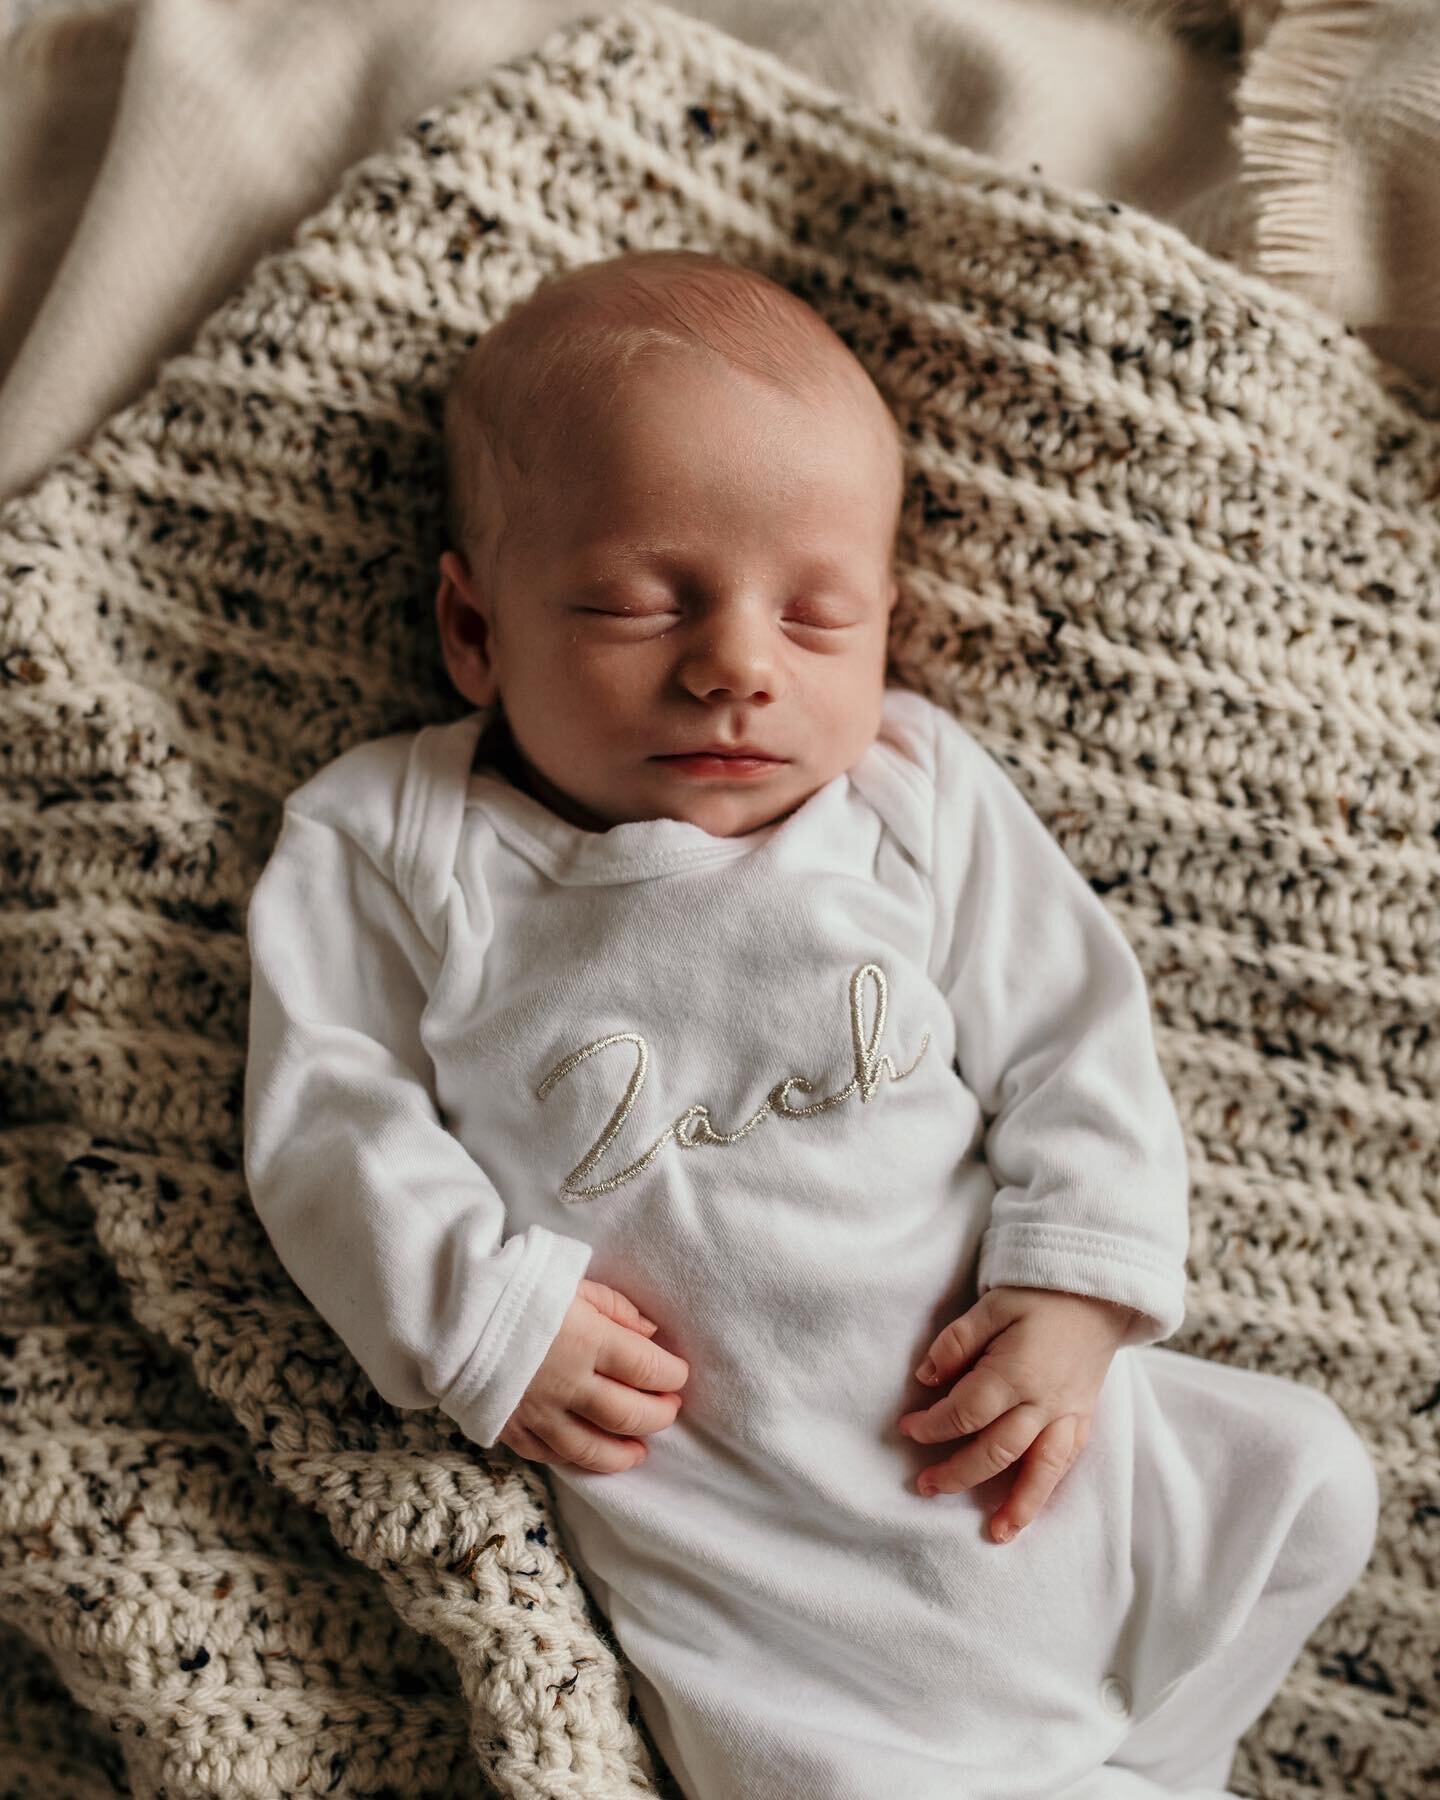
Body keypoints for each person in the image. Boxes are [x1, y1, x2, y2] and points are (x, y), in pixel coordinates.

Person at [242, 249, 1380, 1800]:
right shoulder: (399, 837)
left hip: (1013, 1424)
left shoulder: (909, 793)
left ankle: (1168, 1762)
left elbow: (1071, 1027)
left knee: (1306, 1481)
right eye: (639, 603)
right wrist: (478, 1314)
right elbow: (326, 1113)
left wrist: (1078, 1280)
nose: (734, 667)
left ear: (888, 626)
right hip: (753, 1561)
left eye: (820, 616)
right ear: (473, 629)